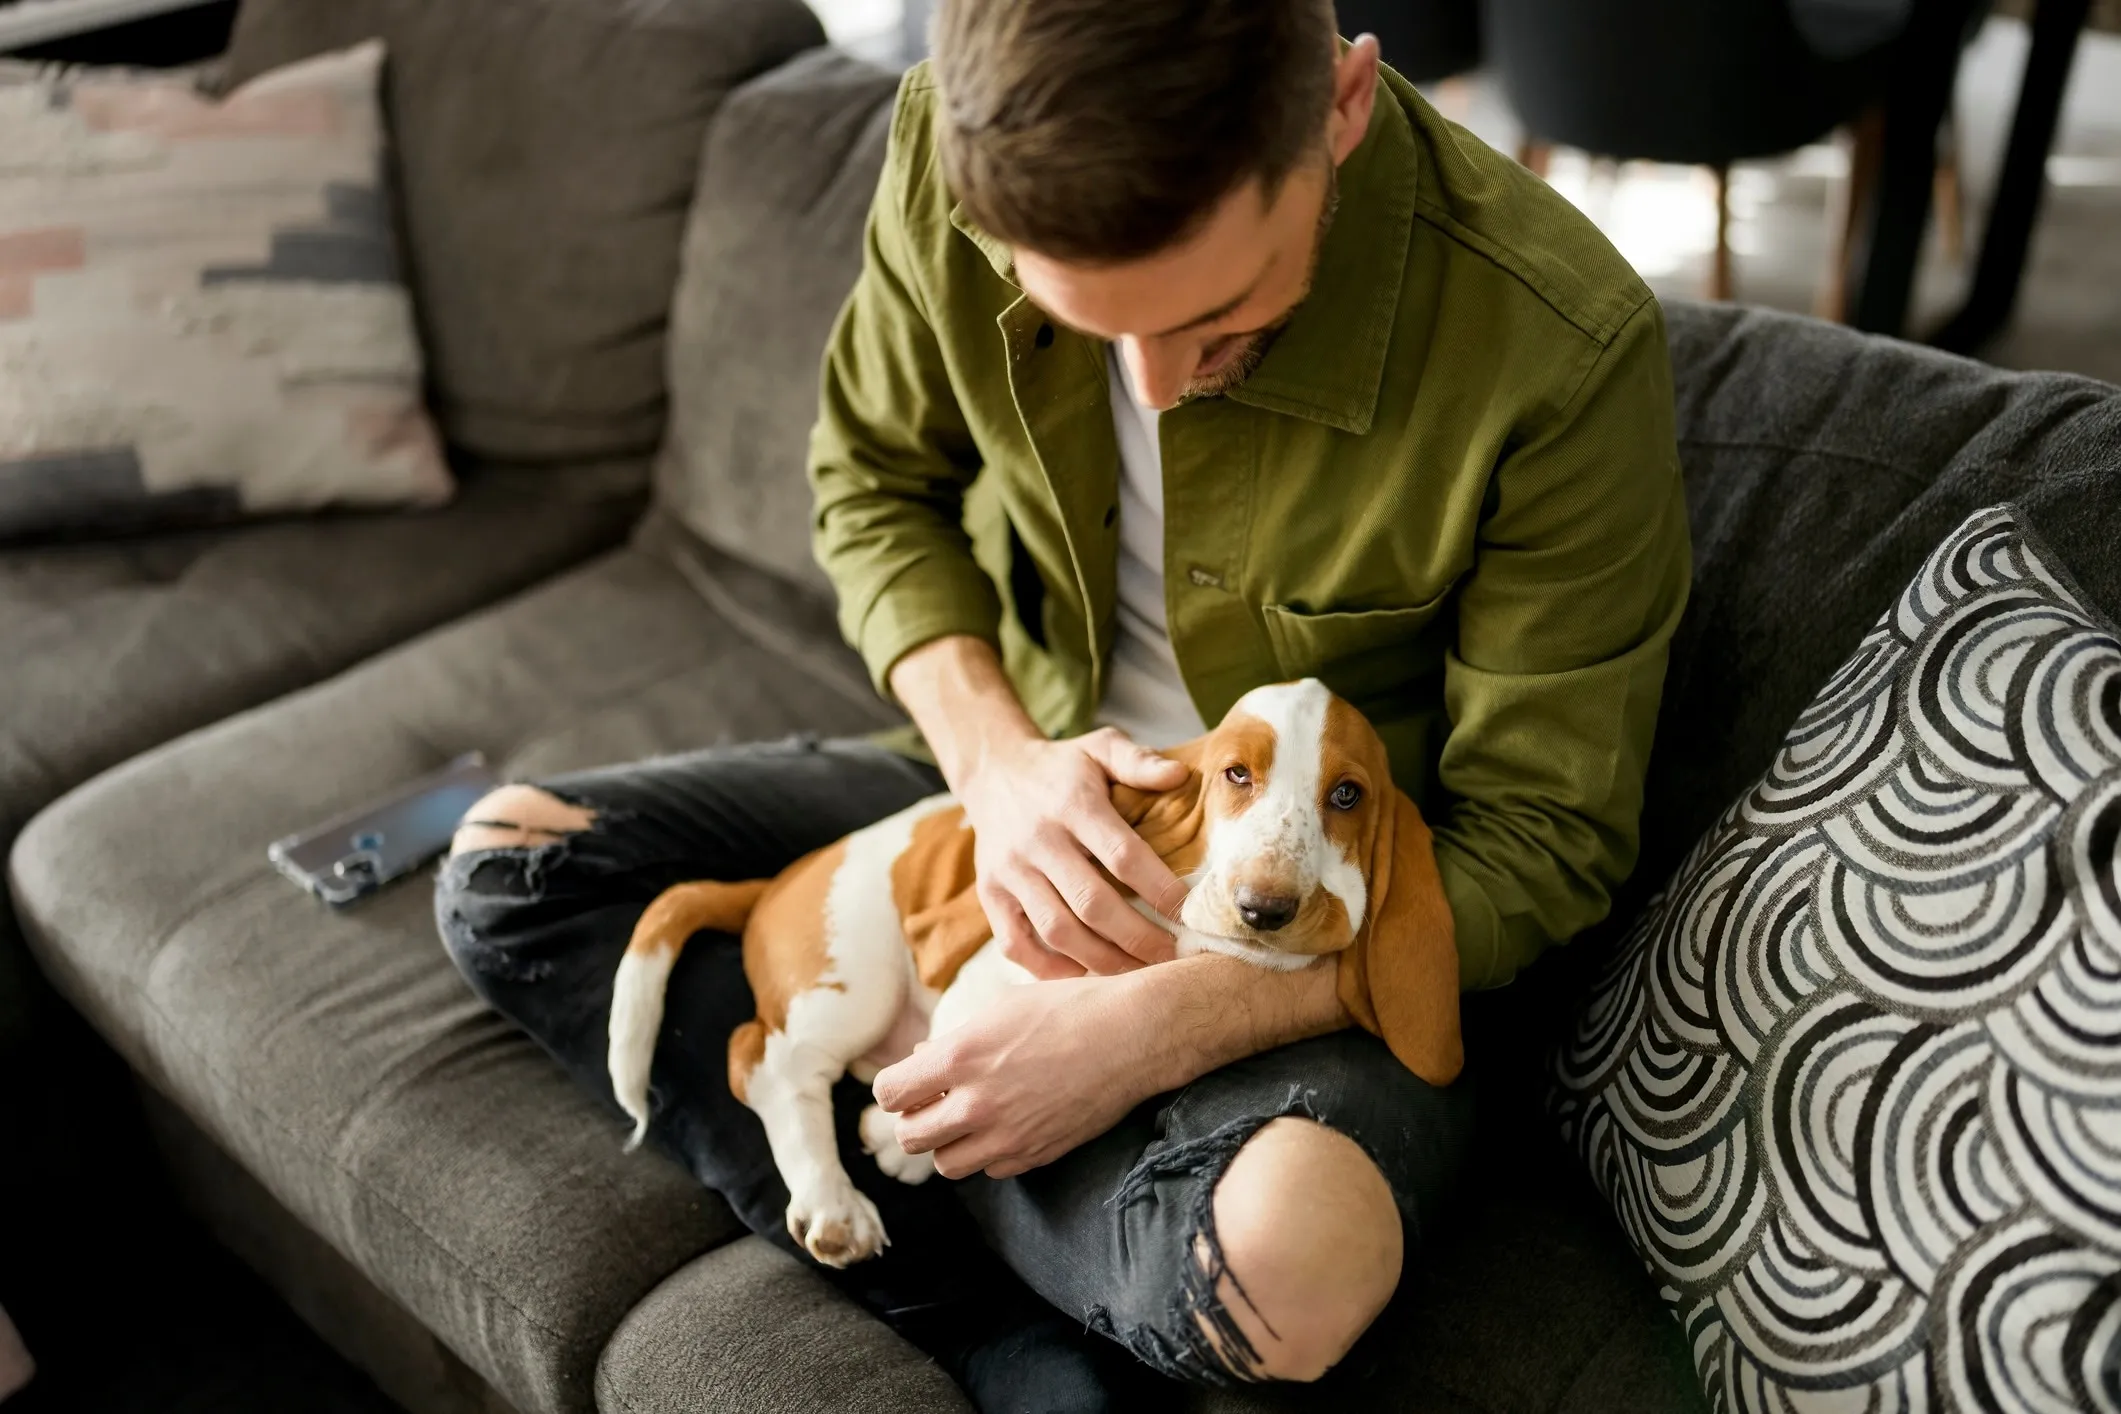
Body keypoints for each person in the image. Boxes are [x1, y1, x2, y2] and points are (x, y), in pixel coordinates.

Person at [433, 0, 1689, 1401]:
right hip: (1006, 797)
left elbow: (1547, 838)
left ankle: (924, 1126)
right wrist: (998, 762)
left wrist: (1156, 1025)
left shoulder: (1558, 349)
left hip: (1306, 937)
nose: (1157, 382)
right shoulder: (945, 152)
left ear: (1339, 112)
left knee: (1290, 1264)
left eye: (1217, 314)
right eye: (1083, 323)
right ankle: (980, 1297)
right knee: (509, 867)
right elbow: (869, 490)